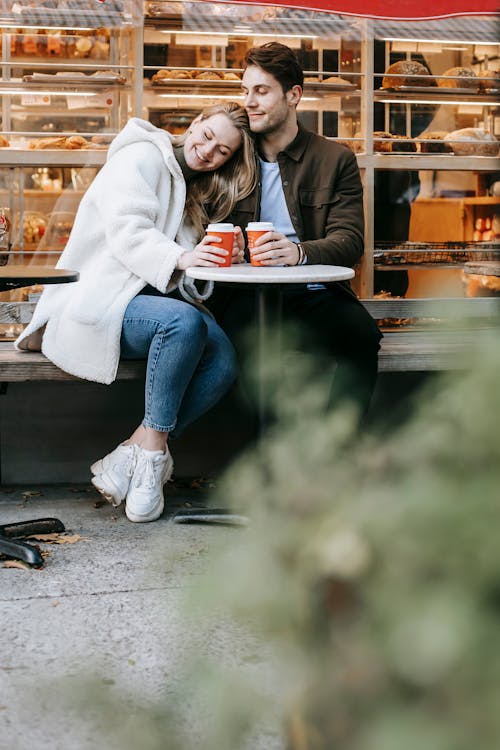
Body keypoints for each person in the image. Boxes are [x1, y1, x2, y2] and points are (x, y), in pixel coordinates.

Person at [15, 104, 257, 523]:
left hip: (144, 308)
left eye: (222, 151)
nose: (207, 151)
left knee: (222, 359)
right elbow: (129, 232)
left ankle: (139, 450)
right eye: (205, 136)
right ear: (193, 122)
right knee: (182, 322)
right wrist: (184, 257)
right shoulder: (141, 157)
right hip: (97, 300)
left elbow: (183, 278)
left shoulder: (192, 187)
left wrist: (215, 260)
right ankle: (148, 469)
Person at [208, 42, 382, 421]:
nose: (249, 101)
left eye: (261, 91)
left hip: (313, 294)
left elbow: (349, 240)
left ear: (293, 95)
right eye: (245, 90)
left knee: (363, 336)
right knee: (244, 351)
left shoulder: (335, 159)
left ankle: (336, 448)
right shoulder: (231, 154)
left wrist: (298, 252)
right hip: (243, 296)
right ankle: (271, 458)